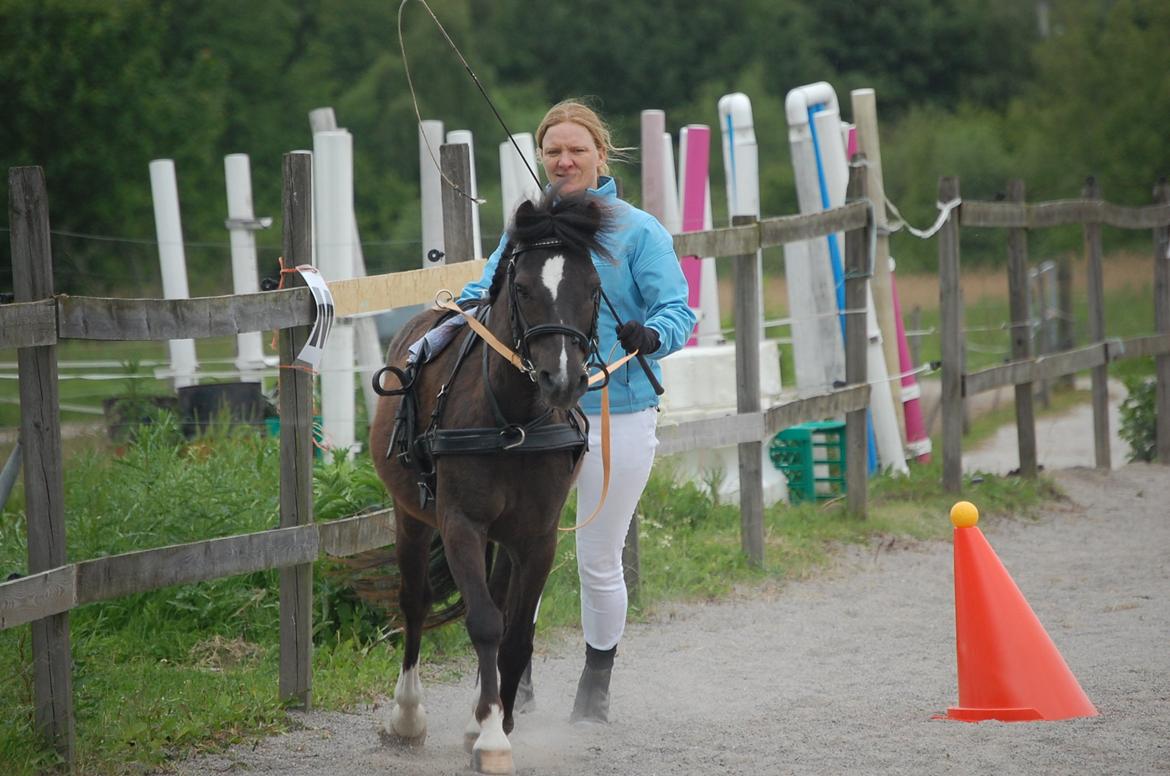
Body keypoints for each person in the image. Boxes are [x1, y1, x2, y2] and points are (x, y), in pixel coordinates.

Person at [458, 99, 696, 724]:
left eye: (576, 149)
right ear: (541, 156)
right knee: (521, 551)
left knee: (596, 556)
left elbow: (680, 311)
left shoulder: (639, 231)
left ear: (600, 154)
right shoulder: (525, 229)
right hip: (535, 422)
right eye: (553, 150)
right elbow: (484, 293)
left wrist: (652, 335)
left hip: (618, 411)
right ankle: (520, 676)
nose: (563, 160)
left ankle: (596, 684)